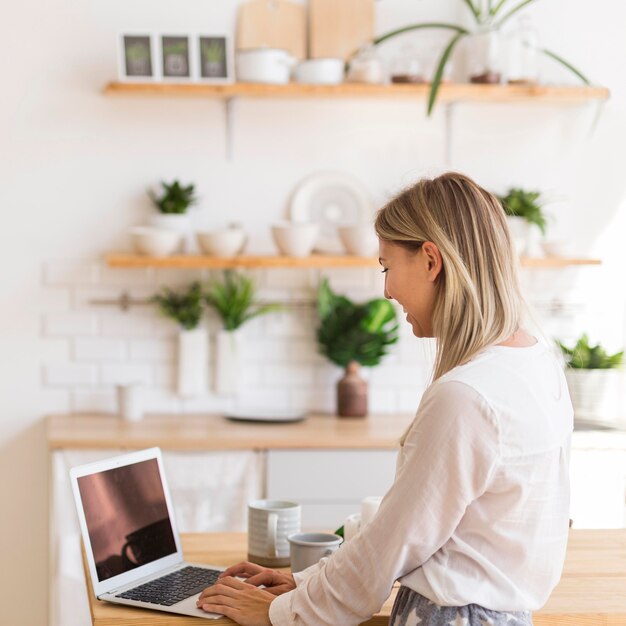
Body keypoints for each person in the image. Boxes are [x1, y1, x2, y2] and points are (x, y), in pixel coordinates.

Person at [196, 172, 574, 626]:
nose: (387, 289)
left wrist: (283, 614)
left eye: (386, 266)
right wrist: (305, 583)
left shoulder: (465, 397)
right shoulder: (535, 362)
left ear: (431, 260)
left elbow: (394, 543)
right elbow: (428, 537)